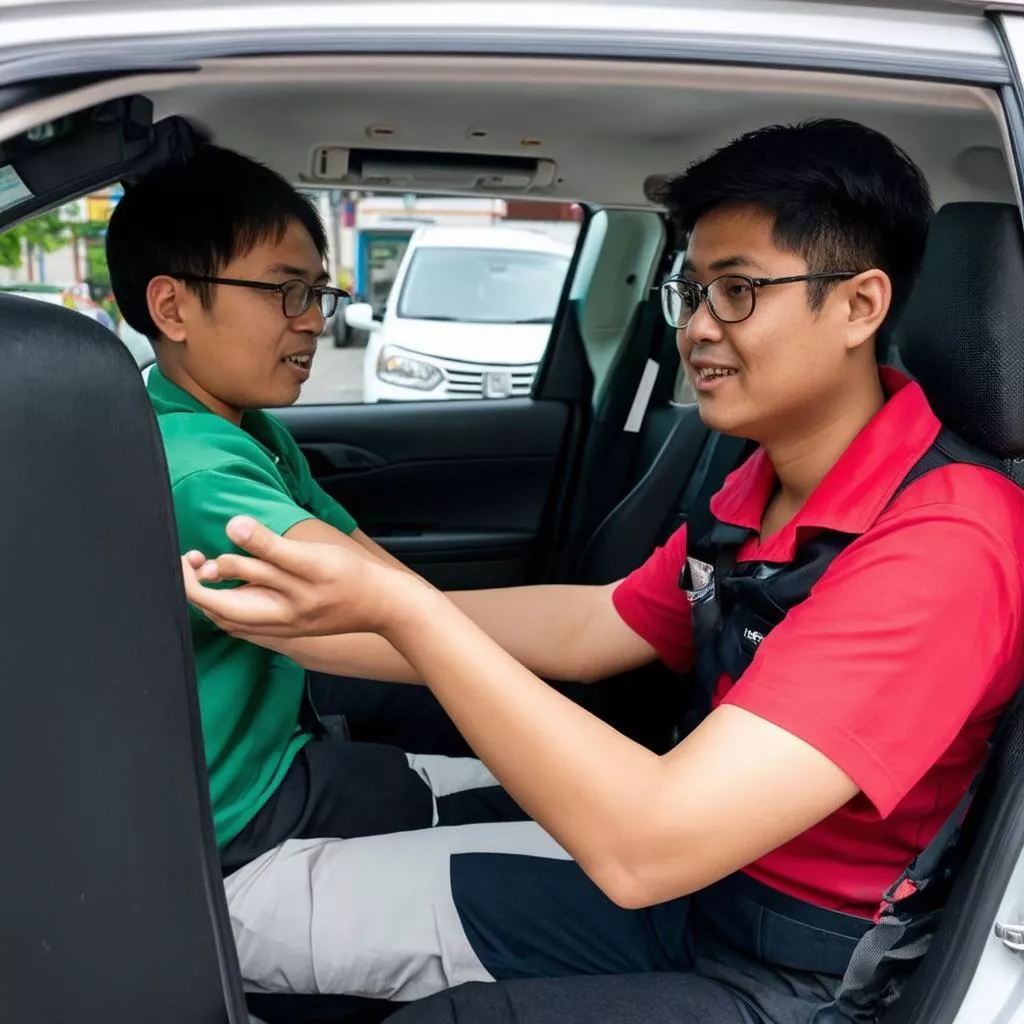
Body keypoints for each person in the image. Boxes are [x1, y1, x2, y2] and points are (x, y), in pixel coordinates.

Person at [180, 120, 1024, 1024]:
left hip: (794, 971)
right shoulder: (761, 482)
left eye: (737, 291)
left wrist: (402, 610)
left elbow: (646, 847)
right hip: (700, 891)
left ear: (860, 306)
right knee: (226, 925)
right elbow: (592, 630)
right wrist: (333, 626)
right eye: (692, 291)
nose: (698, 327)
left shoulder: (946, 544)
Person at [105, 146, 524, 875]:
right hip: (239, 817)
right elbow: (389, 617)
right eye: (284, 291)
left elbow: (379, 574)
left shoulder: (240, 428)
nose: (312, 322)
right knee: (521, 824)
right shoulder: (201, 471)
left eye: (317, 294)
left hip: (271, 753)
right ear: (172, 307)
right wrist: (573, 650)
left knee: (504, 791)